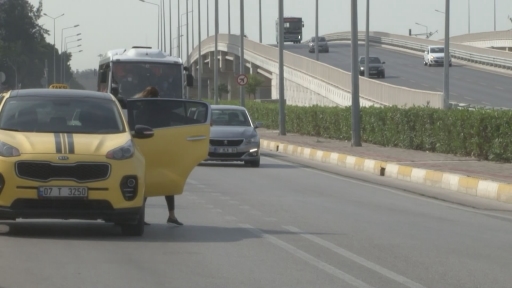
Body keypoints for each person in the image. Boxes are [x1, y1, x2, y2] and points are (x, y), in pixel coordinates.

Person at [135, 86, 183, 226]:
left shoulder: (140, 110)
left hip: (146, 148)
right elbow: (180, 118)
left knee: (146, 181)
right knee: (167, 181)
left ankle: (140, 215)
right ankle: (172, 215)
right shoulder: (163, 109)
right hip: (164, 148)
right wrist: (202, 122)